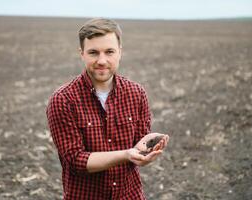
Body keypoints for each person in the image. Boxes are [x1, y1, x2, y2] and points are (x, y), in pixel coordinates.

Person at [46, 18, 169, 200]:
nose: (101, 60)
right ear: (82, 54)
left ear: (120, 52)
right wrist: (126, 154)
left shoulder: (137, 94)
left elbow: (138, 148)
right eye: (93, 52)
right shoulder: (63, 100)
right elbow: (74, 161)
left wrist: (146, 149)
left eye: (109, 51)